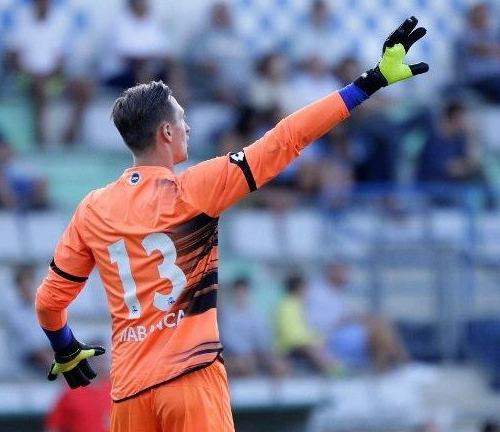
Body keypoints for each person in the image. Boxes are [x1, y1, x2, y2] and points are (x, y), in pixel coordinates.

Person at [34, 17, 429, 432]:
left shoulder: (92, 209)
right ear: (166, 132)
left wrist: (64, 347)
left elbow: (49, 302)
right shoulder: (194, 190)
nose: (188, 127)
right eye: (182, 118)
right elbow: (286, 139)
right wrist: (369, 82)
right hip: (191, 378)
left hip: (129, 394)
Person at [9, 0, 94, 146]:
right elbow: (16, 60)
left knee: (84, 88)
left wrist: (47, 75)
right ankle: (40, 137)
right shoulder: (23, 21)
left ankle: (70, 132)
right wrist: (34, 75)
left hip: (52, 77)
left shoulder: (59, 23)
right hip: (27, 78)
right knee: (39, 87)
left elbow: (60, 60)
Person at [305, 260, 409, 372]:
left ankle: (401, 364)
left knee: (382, 323)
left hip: (342, 332)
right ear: (333, 273)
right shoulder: (317, 293)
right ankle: (391, 368)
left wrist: (361, 318)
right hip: (330, 339)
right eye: (344, 273)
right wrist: (352, 320)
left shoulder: (335, 293)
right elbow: (319, 323)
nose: (348, 277)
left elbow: (343, 316)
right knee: (380, 332)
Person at [416, 102, 497, 210]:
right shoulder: (435, 138)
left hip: (450, 182)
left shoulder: (459, 138)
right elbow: (450, 169)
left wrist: (472, 136)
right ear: (455, 118)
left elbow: (474, 162)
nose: (467, 122)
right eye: (465, 118)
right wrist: (464, 166)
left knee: (479, 171)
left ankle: (492, 208)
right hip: (432, 184)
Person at [276, 273, 341, 375]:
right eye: (305, 289)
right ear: (298, 289)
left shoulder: (302, 306)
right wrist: (313, 341)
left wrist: (319, 339)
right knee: (313, 350)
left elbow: (308, 329)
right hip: (290, 346)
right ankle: (335, 373)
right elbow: (291, 334)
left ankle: (336, 370)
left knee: (324, 346)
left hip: (302, 343)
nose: (307, 293)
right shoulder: (286, 307)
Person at [219, 278, 286, 377]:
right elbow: (227, 339)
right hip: (235, 354)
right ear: (234, 293)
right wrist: (246, 352)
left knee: (280, 365)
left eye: (243, 291)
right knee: (241, 365)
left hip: (257, 352)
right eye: (238, 292)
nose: (241, 295)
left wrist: (258, 350)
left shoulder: (258, 313)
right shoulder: (227, 314)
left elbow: (263, 336)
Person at [188, 2, 250, 103]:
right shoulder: (202, 37)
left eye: (227, 13)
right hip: (211, 94)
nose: (225, 16)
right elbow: (193, 62)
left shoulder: (238, 38)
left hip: (241, 94)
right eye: (221, 13)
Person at [45, 339, 111, 432]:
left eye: (103, 358)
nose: (101, 362)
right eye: (96, 358)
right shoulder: (72, 392)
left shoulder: (120, 389)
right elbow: (54, 426)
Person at [456, 3, 500, 104]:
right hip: (478, 80)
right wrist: (499, 51)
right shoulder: (466, 34)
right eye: (479, 15)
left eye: (484, 15)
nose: (483, 18)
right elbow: (478, 48)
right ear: (471, 17)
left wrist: (495, 51)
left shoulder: (493, 35)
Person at [3, 265, 53, 372]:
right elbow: (31, 345)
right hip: (27, 359)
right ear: (18, 288)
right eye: (23, 286)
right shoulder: (13, 312)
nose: (27, 289)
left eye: (30, 284)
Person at [289, 0, 351, 68]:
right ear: (312, 13)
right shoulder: (301, 34)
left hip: (328, 75)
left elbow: (337, 58)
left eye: (322, 13)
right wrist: (310, 62)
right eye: (317, 12)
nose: (320, 15)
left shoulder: (334, 36)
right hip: (305, 74)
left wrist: (323, 63)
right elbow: (295, 56)